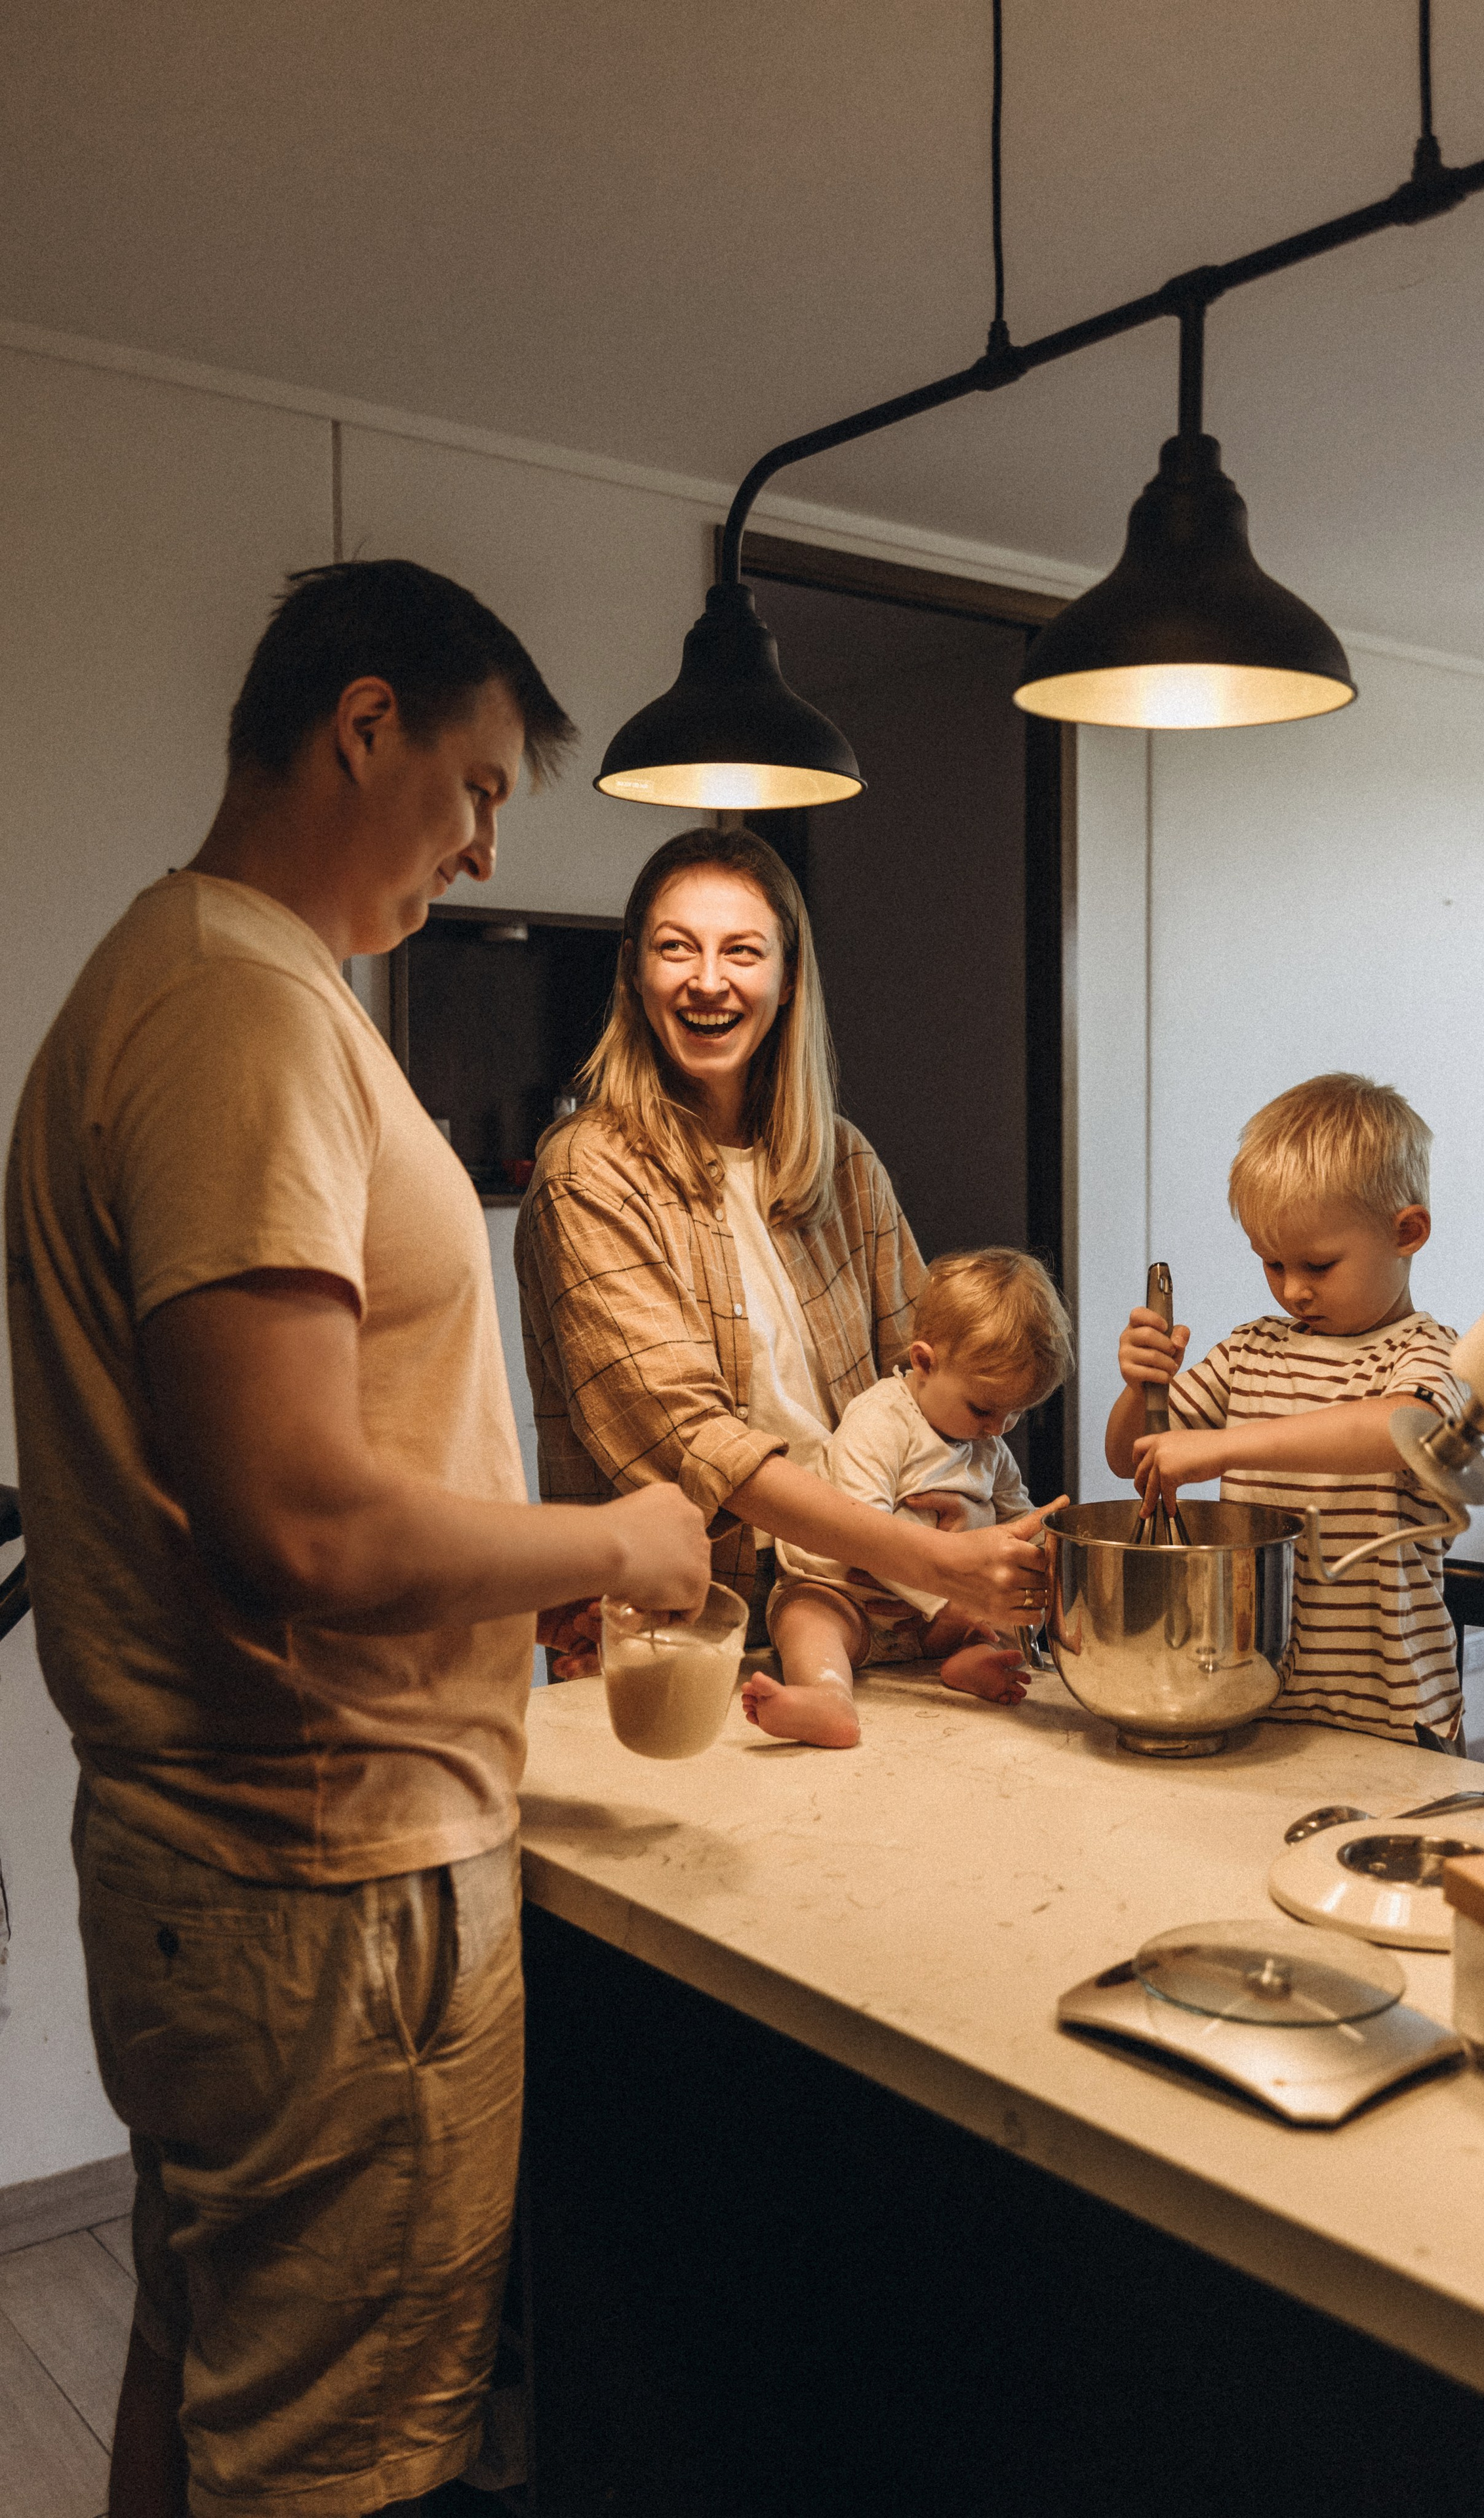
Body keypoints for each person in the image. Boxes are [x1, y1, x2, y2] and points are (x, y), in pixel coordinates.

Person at [5, 559, 712, 2518]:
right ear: (363, 723)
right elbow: (298, 1522)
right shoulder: (242, 1010)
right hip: (329, 1884)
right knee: (333, 2459)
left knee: (206, 2366)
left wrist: (495, 1591)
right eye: (475, 788)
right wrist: (604, 1547)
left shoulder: (185, 978)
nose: (484, 846)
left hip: (238, 1865)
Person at [514, 828, 1062, 1697]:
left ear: (788, 978)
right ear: (633, 973)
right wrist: (928, 1558)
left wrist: (956, 1510)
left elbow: (929, 1373)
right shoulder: (588, 1172)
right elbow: (694, 1443)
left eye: (742, 951)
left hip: (872, 1620)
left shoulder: (841, 1163)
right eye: (676, 948)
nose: (707, 980)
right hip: (684, 1632)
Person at [1104, 1071, 1469, 1742]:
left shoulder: (1429, 1354)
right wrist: (1140, 1389)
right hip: (1257, 1701)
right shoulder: (1251, 1350)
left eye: (1317, 1265)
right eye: (1272, 1264)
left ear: (1407, 1232)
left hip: (1392, 1719)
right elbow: (1131, 1459)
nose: (1292, 1291)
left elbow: (1401, 1429)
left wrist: (1223, 1447)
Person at [742, 1247, 1075, 1747]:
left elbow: (1019, 1517)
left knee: (1003, 1610)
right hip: (851, 1601)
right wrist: (944, 1595)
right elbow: (861, 1523)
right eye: (983, 1409)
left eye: (1017, 1414)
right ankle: (826, 1695)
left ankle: (973, 1660)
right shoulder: (881, 1419)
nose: (998, 1428)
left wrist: (1046, 1550)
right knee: (806, 1615)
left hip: (939, 1622)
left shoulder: (991, 1447)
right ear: (924, 1363)